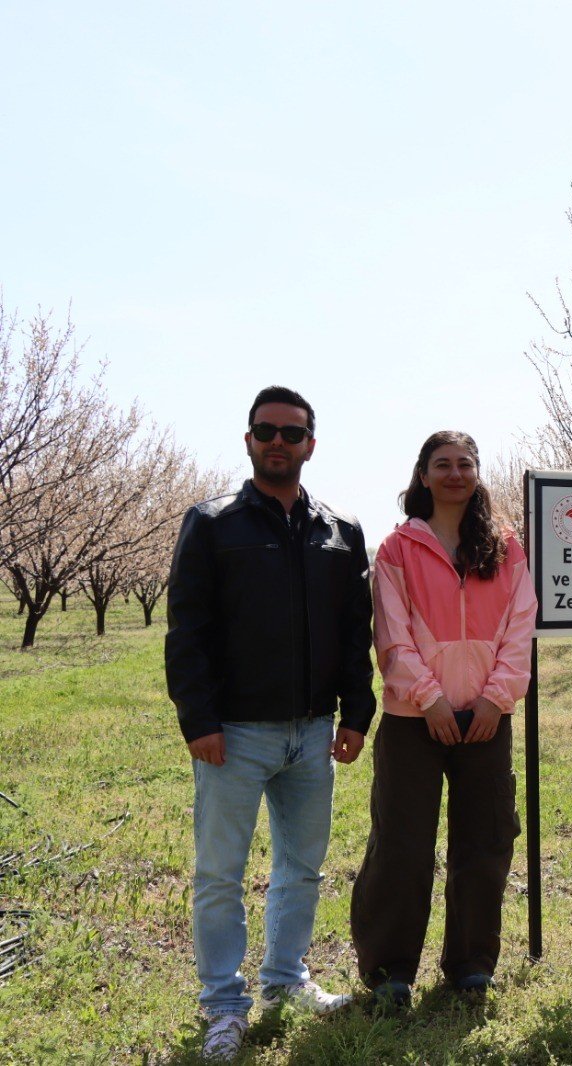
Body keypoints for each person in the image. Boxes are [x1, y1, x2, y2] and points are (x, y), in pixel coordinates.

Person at [165, 386, 374, 1062]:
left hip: (313, 732)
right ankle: (224, 1006)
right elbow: (187, 632)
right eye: (266, 431)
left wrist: (356, 713)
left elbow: (353, 631)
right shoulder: (212, 523)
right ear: (248, 440)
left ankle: (285, 982)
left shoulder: (341, 529)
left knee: (302, 869)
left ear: (311, 443)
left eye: (291, 432)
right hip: (234, 733)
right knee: (220, 874)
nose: (277, 442)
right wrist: (198, 719)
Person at [350, 430, 536, 1011]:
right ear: (423, 475)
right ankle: (390, 973)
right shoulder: (397, 549)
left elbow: (520, 626)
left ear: (477, 474)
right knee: (401, 846)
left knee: (485, 844)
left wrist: (494, 699)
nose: (455, 473)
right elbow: (393, 634)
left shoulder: (506, 548)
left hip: (486, 720)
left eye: (465, 464)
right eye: (443, 464)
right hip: (415, 722)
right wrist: (429, 699)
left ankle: (472, 966)